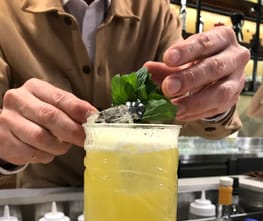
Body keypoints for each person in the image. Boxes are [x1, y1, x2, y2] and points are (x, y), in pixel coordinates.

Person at [0, 0, 250, 188]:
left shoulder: (155, 10)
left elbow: (187, 94)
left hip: (139, 200)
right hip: (43, 211)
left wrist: (213, 94)